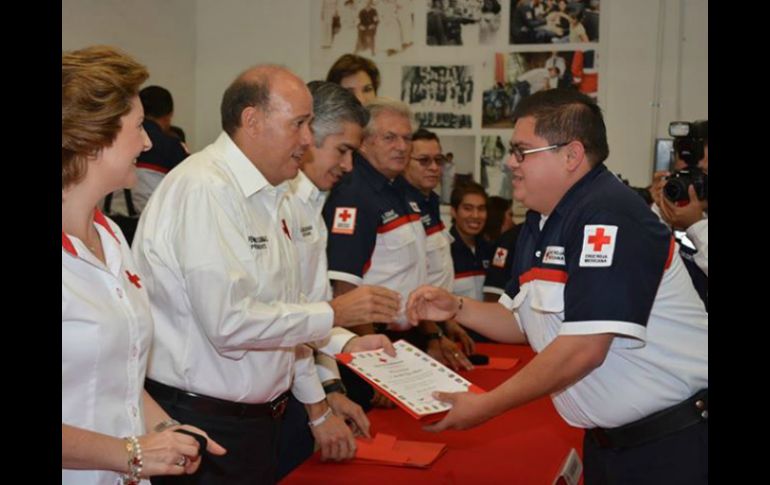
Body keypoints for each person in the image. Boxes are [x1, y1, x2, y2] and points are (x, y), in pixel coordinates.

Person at [407, 89, 708, 485]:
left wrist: (487, 405)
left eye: (521, 151)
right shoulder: (541, 221)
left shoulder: (609, 216)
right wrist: (457, 308)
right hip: (611, 446)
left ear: (571, 155)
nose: (510, 163)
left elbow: (583, 350)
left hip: (673, 446)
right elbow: (525, 321)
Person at [132, 65, 402, 485]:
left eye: (310, 125)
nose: (308, 140)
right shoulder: (205, 189)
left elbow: (284, 312)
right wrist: (334, 316)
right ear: (252, 121)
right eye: (299, 124)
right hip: (204, 424)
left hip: (257, 422)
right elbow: (229, 322)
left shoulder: (272, 194)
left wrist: (344, 340)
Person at [62, 45, 225, 485]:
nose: (149, 142)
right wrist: (130, 452)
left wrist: (165, 431)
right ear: (95, 137)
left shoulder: (112, 237)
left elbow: (122, 376)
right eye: (138, 128)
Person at [277, 81, 396, 479]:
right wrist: (319, 407)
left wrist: (333, 389)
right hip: (275, 395)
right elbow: (286, 322)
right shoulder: (283, 203)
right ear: (309, 137)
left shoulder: (312, 205)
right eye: (342, 151)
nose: (348, 166)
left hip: (301, 385)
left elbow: (311, 316)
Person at [323, 98, 472, 409]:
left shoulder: (402, 190)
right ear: (364, 142)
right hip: (369, 347)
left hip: (406, 341)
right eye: (390, 137)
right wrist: (374, 364)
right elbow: (344, 292)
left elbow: (411, 278)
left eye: (406, 138)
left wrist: (431, 335)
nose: (402, 146)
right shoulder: (355, 195)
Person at [402, 128, 475, 357]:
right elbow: (411, 284)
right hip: (412, 330)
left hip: (435, 321)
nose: (434, 167)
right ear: (404, 161)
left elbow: (435, 273)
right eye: (424, 161)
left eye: (438, 160)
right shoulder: (401, 207)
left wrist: (447, 322)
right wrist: (434, 336)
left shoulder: (430, 201)